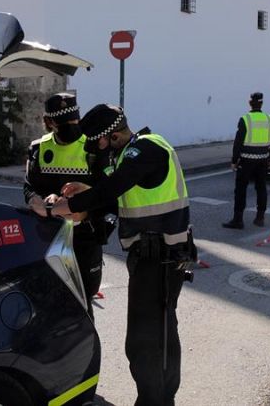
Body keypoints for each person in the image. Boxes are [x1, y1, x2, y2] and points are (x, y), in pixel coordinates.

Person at [51, 104, 195, 406]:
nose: (98, 150)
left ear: (112, 135)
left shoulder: (147, 149)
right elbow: (119, 196)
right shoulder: (133, 154)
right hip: (151, 259)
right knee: (156, 337)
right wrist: (86, 189)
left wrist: (61, 207)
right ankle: (158, 400)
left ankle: (155, 402)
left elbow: (112, 188)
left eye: (99, 143)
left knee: (148, 342)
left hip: (160, 258)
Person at [23, 92, 111, 317]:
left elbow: (109, 195)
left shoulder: (94, 148)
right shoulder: (38, 148)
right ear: (50, 122)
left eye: (75, 120)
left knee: (83, 302)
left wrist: (83, 214)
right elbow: (28, 187)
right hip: (47, 236)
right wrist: (37, 201)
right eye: (65, 122)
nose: (72, 125)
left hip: (84, 238)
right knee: (46, 302)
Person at [222, 91, 270, 229]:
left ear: (250, 103)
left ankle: (238, 219)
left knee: (241, 189)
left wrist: (234, 160)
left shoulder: (245, 119)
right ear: (262, 103)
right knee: (261, 187)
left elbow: (238, 143)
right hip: (263, 160)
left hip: (246, 160)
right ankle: (260, 217)